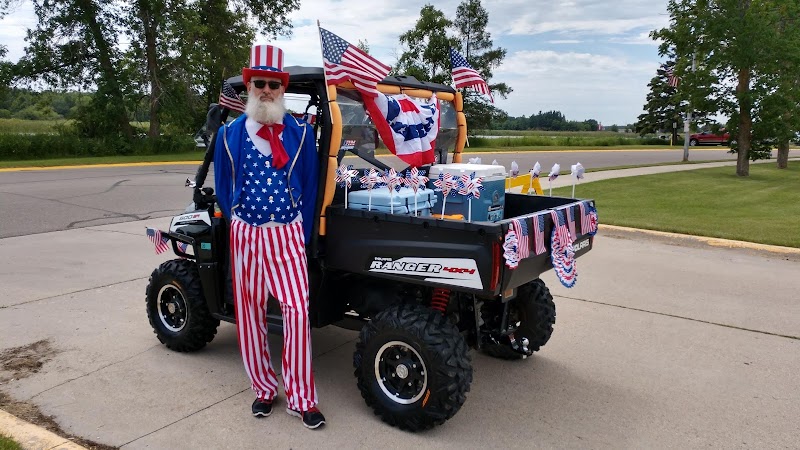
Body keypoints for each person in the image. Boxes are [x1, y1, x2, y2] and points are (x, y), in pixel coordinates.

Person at [213, 44, 323, 429]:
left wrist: (300, 234)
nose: (266, 90)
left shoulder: (300, 134)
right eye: (259, 83)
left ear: (282, 88)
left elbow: (310, 187)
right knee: (249, 313)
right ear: (249, 86)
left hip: (287, 233)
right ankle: (263, 388)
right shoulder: (228, 135)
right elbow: (223, 187)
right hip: (247, 234)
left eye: (273, 84)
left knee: (296, 311)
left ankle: (301, 398)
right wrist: (239, 221)